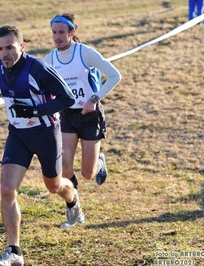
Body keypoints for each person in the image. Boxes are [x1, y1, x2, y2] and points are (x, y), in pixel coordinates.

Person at [0, 24, 81, 266]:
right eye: (0, 49)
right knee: (7, 189)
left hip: (46, 134)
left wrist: (37, 110)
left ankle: (73, 198)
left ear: (22, 46)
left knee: (54, 186)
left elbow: (68, 97)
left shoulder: (37, 68)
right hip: (18, 135)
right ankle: (14, 251)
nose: (4, 54)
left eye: (9, 48)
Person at [43, 14, 122, 227]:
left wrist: (94, 99)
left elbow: (115, 75)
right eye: (54, 32)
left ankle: (99, 161)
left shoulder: (84, 53)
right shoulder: (49, 59)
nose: (57, 37)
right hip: (67, 116)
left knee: (88, 173)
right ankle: (75, 211)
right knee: (65, 166)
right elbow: (43, 87)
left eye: (61, 32)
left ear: (71, 32)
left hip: (90, 116)